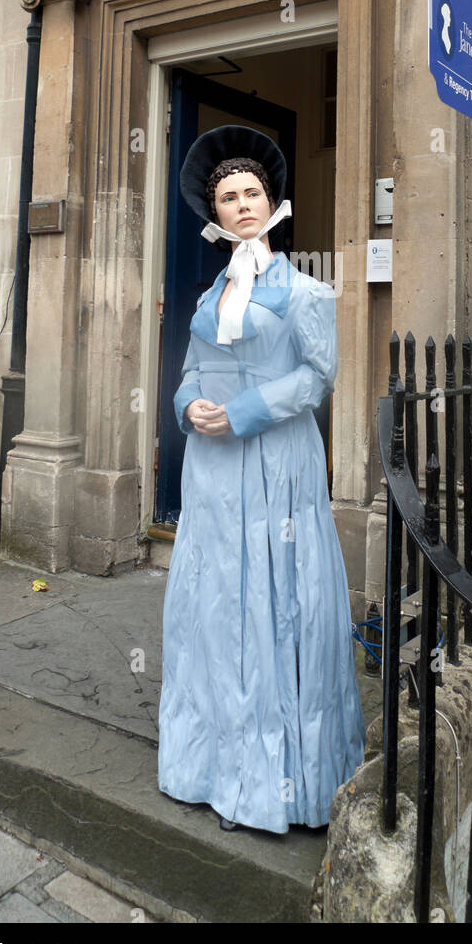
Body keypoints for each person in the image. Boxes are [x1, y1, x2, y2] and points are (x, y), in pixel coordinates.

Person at [158, 124, 366, 834]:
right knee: (215, 608)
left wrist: (244, 410)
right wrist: (189, 406)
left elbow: (318, 378)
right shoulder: (205, 298)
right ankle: (209, 768)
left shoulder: (306, 291)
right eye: (227, 196)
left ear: (271, 201)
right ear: (213, 212)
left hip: (277, 465)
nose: (241, 204)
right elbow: (185, 373)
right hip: (212, 476)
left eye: (250, 192)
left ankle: (282, 783)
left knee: (278, 603)